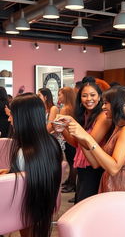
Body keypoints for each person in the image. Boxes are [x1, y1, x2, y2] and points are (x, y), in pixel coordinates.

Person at [61, 86, 125, 194]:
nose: (103, 107)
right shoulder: (117, 127)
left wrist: (87, 138)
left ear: (116, 105)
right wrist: (82, 137)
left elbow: (114, 168)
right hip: (111, 182)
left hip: (123, 185)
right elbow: (95, 163)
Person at [0, 93, 62, 237]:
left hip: (25, 209)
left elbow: (18, 186)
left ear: (23, 119)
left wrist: (9, 176)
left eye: (12, 115)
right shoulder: (52, 143)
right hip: (44, 205)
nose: (9, 119)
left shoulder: (24, 153)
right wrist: (9, 172)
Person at [56, 82, 112, 202]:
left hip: (95, 166)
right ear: (80, 98)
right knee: (80, 203)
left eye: (92, 95)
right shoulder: (84, 115)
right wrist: (62, 129)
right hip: (82, 167)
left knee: (87, 204)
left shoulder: (103, 116)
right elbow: (77, 144)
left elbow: (90, 143)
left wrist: (72, 122)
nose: (89, 99)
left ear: (99, 97)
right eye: (84, 95)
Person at [58, 87, 77, 193]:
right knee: (72, 162)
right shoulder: (71, 107)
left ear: (66, 95)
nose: (58, 97)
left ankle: (72, 184)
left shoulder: (65, 109)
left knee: (72, 162)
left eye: (60, 94)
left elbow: (61, 125)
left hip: (68, 138)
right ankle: (70, 181)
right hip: (71, 136)